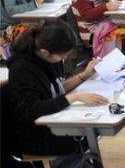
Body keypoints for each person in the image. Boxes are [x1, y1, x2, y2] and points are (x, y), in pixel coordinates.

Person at [8, 22, 106, 155]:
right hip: (36, 135)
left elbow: (57, 88)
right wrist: (73, 98)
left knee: (91, 132)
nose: (64, 58)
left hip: (54, 122)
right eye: (61, 55)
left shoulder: (50, 59)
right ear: (44, 51)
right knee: (85, 139)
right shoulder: (21, 69)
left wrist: (83, 76)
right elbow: (32, 109)